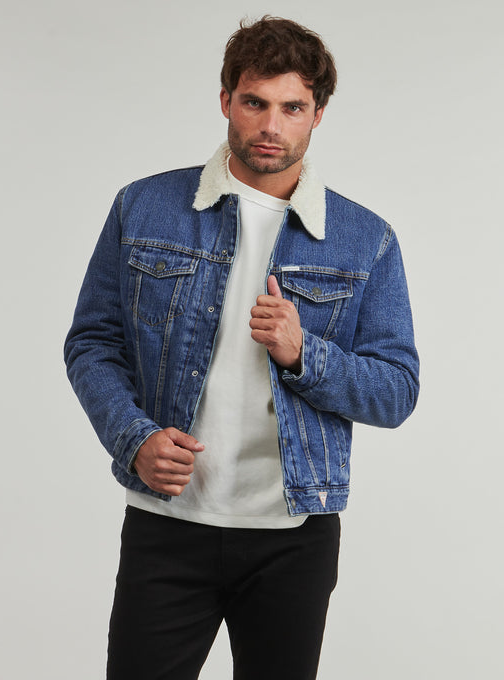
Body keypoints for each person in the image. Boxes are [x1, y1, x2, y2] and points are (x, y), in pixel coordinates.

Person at [64, 16, 419, 680]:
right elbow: (92, 343)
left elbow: (396, 390)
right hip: (167, 523)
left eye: (292, 107)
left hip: (293, 537)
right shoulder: (143, 207)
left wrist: (303, 353)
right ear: (226, 99)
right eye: (255, 102)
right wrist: (134, 437)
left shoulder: (364, 239)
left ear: (317, 115)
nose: (271, 125)